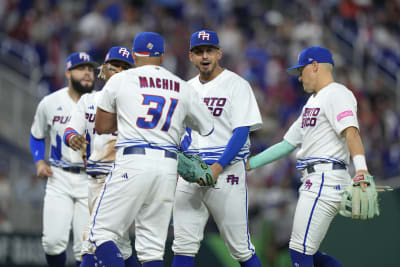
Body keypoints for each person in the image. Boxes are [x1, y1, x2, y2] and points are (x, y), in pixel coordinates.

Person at [88, 32, 214, 267]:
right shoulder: (182, 86)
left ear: (135, 55)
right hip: (167, 168)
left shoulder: (121, 80)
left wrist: (128, 116)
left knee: (101, 233)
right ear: (162, 56)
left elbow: (102, 126)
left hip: (133, 161)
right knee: (152, 250)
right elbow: (206, 126)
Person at [247, 46, 375, 267]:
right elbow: (286, 144)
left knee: (299, 250)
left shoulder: (337, 93)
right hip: (315, 179)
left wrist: (361, 169)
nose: (299, 78)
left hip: (325, 178)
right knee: (309, 252)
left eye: (301, 71)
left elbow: (351, 132)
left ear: (315, 66)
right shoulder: (312, 103)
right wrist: (250, 164)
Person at [172, 30, 263, 267]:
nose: (204, 56)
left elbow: (241, 132)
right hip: (191, 173)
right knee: (182, 246)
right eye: (199, 51)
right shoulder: (185, 89)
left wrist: (218, 166)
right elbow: (180, 134)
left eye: (209, 51)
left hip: (226, 171)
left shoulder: (237, 85)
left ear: (219, 53)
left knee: (240, 248)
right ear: (191, 56)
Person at [63, 46, 140, 267]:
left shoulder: (138, 103)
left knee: (93, 239)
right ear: (104, 70)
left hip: (122, 177)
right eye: (115, 66)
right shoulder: (88, 101)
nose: (119, 70)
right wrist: (72, 138)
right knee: (121, 247)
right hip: (97, 180)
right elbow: (71, 130)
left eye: (125, 67)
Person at [30, 52, 97, 267]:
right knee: (52, 242)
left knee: (84, 248)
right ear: (68, 73)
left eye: (90, 68)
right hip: (59, 176)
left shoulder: (102, 101)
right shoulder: (50, 102)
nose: (87, 72)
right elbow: (37, 135)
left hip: (91, 179)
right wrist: (40, 161)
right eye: (81, 68)